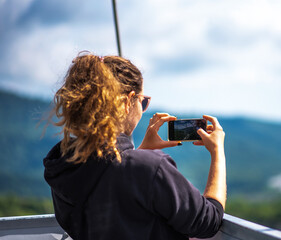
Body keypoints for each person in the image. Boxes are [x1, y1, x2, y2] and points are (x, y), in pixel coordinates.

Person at [43, 52, 227, 240]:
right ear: (126, 102)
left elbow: (109, 183)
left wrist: (139, 153)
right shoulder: (151, 167)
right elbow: (208, 221)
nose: (143, 108)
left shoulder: (64, 166)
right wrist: (217, 152)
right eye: (143, 101)